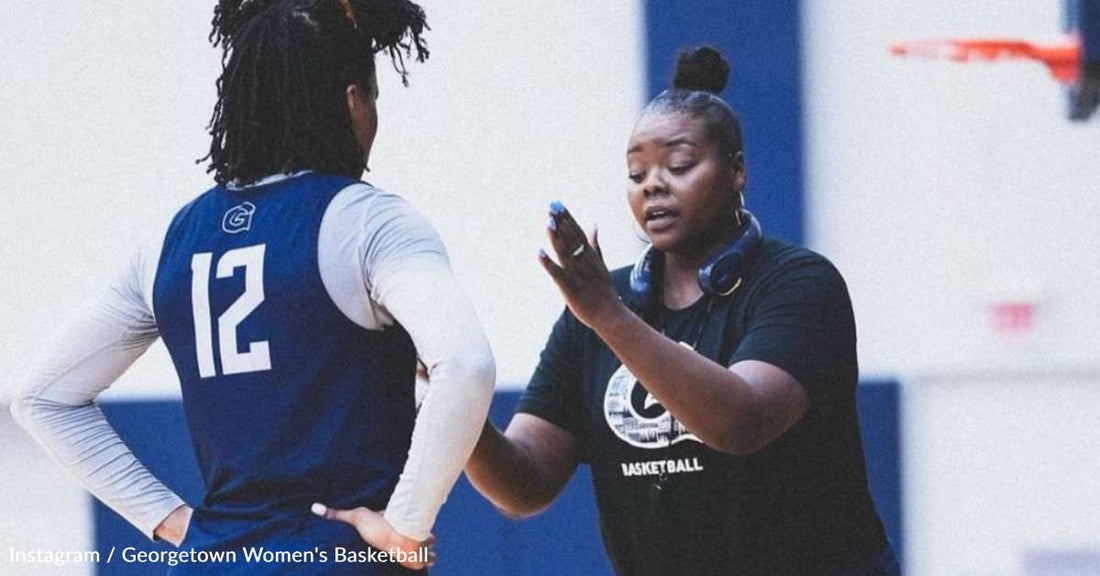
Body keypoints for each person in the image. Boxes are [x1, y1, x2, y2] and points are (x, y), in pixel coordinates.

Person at [11, 0, 495, 574]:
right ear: (350, 101)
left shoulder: (170, 240)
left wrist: (171, 520)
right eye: (373, 97)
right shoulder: (368, 221)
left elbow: (42, 399)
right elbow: (465, 366)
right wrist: (405, 526)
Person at [463, 46, 901, 576]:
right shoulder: (601, 304)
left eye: (678, 165)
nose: (652, 184)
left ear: (737, 171)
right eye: (636, 172)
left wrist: (608, 317)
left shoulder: (798, 284)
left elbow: (741, 421)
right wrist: (452, 402)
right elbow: (524, 484)